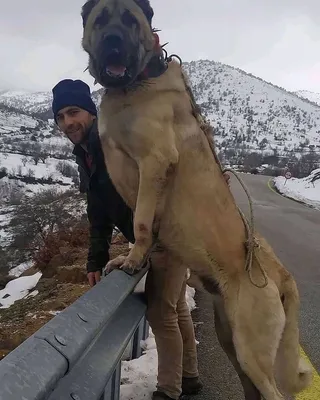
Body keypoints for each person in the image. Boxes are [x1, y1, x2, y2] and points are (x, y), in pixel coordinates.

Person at [51, 79, 229, 400]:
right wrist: (96, 257)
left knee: (161, 313)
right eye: (60, 116)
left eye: (73, 112)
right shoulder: (88, 153)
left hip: (169, 232)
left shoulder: (113, 143)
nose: (67, 122)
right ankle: (188, 377)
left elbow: (158, 179)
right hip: (155, 236)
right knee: (174, 307)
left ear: (90, 112)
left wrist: (146, 241)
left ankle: (169, 390)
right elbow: (99, 210)